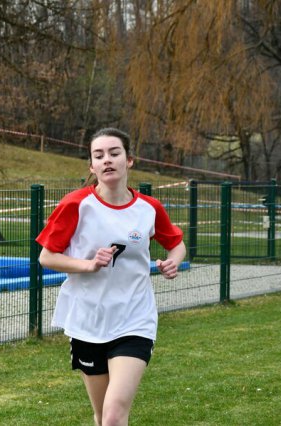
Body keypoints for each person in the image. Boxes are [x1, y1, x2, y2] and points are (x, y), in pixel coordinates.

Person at [36, 128, 186, 426]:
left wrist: (173, 263)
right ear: (91, 166)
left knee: (115, 414)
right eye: (99, 155)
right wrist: (88, 265)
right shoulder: (76, 205)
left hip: (134, 320)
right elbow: (47, 257)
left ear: (129, 160)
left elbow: (176, 245)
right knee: (103, 414)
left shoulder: (148, 208)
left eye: (114, 153)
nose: (107, 160)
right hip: (88, 321)